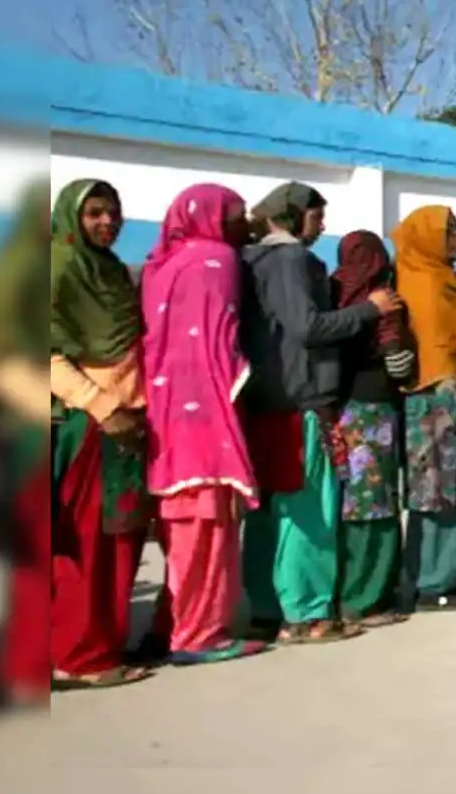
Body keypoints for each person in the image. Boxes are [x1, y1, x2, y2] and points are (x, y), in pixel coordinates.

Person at [240, 182, 393, 644]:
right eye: (315, 216)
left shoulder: (248, 260)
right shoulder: (291, 260)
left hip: (264, 399)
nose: (322, 226)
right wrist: (370, 309)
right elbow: (307, 326)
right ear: (291, 215)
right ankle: (307, 615)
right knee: (308, 511)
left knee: (268, 513)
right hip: (302, 400)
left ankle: (268, 608)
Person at [140, 183, 269, 665]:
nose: (244, 225)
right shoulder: (217, 258)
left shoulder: (161, 264)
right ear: (212, 218)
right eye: (236, 215)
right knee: (208, 530)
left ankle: (172, 622)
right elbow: (221, 338)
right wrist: (235, 391)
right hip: (207, 412)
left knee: (182, 532)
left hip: (167, 413)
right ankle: (199, 634)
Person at [45, 178, 157, 685]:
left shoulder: (110, 270)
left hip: (128, 423)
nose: (107, 221)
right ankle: (79, 657)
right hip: (90, 426)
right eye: (94, 213)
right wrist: (100, 405)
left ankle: (103, 648)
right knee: (88, 544)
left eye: (113, 212)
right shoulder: (59, 266)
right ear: (72, 216)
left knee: (121, 541)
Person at [390, 206, 456, 611]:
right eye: (451, 231)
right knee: (436, 493)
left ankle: (453, 573)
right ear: (429, 237)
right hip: (437, 406)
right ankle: (432, 583)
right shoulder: (426, 289)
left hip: (453, 402)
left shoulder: (446, 281)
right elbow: (441, 359)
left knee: (454, 491)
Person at [0, 184, 54, 705]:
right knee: (35, 557)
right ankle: (28, 669)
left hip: (35, 427)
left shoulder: (32, 265)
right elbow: (2, 358)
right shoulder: (19, 271)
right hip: (25, 433)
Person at [327, 230, 418, 622]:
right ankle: (366, 599)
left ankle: (344, 589)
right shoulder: (382, 299)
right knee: (375, 505)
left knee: (348, 504)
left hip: (339, 409)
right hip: (373, 409)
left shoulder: (333, 293)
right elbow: (398, 362)